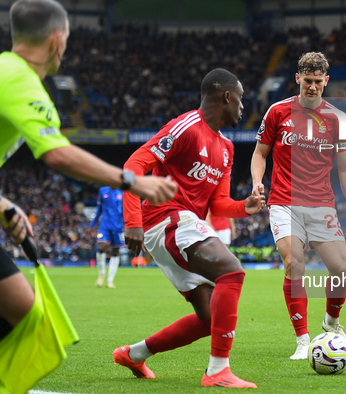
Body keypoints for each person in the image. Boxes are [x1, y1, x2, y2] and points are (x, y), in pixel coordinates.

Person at [0, 0, 177, 391]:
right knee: (21, 309)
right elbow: (57, 153)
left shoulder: (5, 71)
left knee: (20, 307)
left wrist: (4, 205)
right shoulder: (20, 79)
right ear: (57, 39)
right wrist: (133, 181)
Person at [115, 68, 265, 388]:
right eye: (240, 99)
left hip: (184, 224)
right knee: (232, 273)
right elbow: (133, 166)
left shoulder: (227, 148)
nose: (243, 107)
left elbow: (218, 204)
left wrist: (244, 207)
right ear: (226, 95)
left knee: (210, 319)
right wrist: (132, 222)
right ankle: (217, 371)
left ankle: (134, 354)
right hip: (166, 219)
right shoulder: (186, 127)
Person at [251, 52, 346, 360]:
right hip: (284, 202)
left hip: (321, 205)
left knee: (341, 270)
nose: (312, 87)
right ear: (297, 78)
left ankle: (331, 322)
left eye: (318, 82)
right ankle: (302, 340)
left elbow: (345, 169)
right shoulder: (277, 112)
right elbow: (260, 153)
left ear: (326, 81)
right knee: (294, 264)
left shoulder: (337, 119)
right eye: (307, 81)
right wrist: (257, 182)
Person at [90, 186, 125, 288]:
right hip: (104, 225)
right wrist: (93, 223)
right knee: (101, 247)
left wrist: (128, 224)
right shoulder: (103, 190)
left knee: (115, 251)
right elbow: (99, 209)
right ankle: (101, 274)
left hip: (118, 226)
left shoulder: (123, 192)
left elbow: (126, 210)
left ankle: (110, 280)